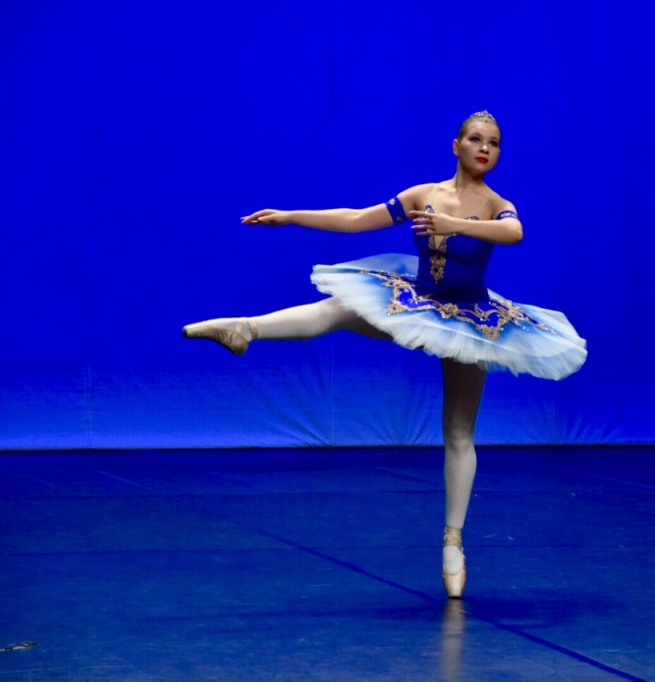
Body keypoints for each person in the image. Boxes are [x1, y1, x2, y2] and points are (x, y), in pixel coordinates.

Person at [183, 111, 587, 598]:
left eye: (494, 143)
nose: (485, 148)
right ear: (455, 145)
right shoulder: (423, 194)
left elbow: (514, 233)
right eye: (476, 139)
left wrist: (451, 224)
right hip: (417, 305)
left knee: (459, 431)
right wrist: (290, 216)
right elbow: (357, 219)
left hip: (468, 321)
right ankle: (244, 328)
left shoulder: (497, 204)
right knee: (336, 309)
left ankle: (453, 541)